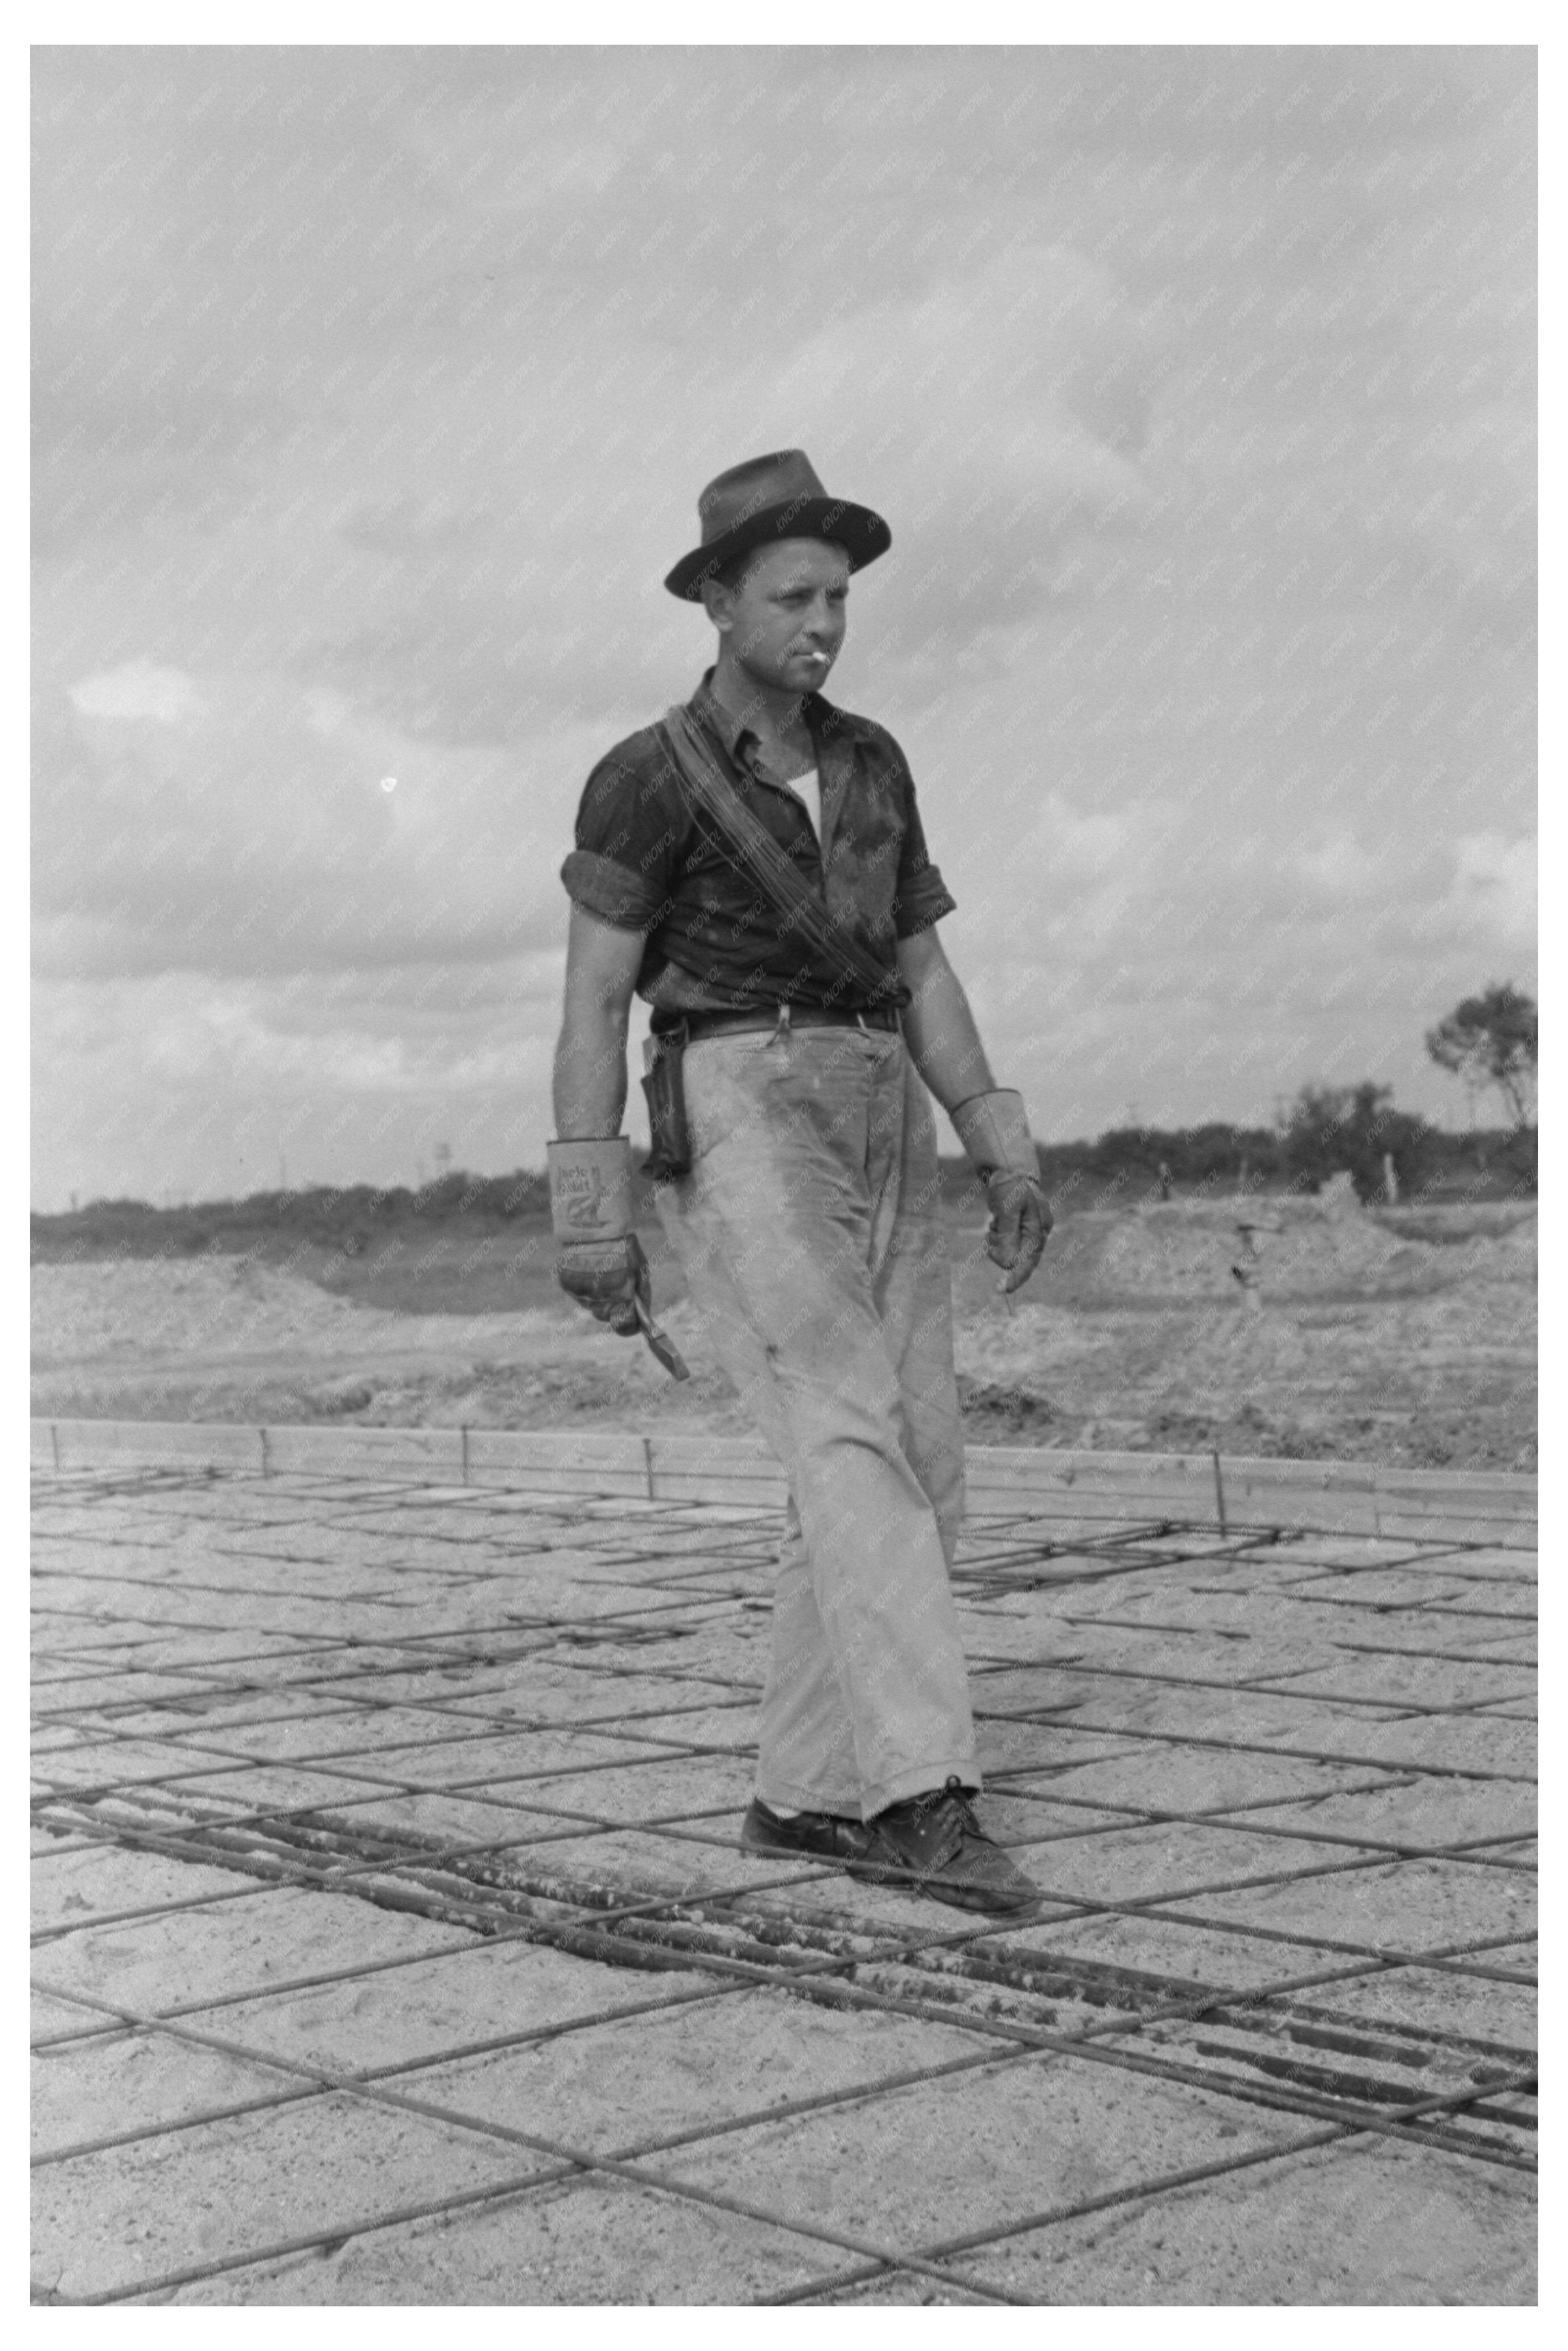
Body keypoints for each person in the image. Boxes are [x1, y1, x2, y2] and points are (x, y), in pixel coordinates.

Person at [549, 450, 1052, 1914]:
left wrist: (996, 1134)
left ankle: (802, 1790)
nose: (823, 623)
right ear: (715, 600)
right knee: (847, 1445)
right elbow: (591, 1004)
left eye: (838, 596)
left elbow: (923, 964)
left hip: (879, 1094)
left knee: (920, 1460)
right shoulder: (645, 777)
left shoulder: (877, 759)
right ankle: (920, 1794)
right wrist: (595, 1212)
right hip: (739, 1097)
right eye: (791, 597)